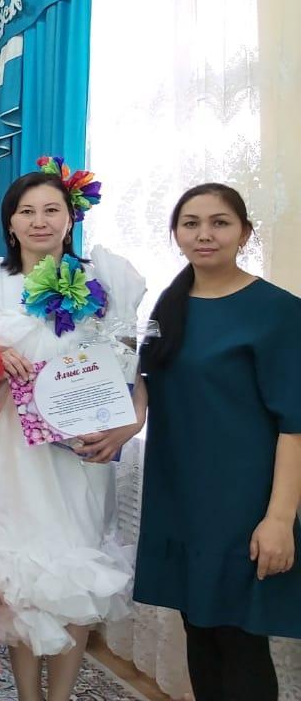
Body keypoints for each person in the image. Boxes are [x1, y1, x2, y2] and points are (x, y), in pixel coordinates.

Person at [0, 159, 144, 701]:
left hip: (80, 455)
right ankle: (28, 695)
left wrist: (130, 424)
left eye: (52, 210)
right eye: (26, 211)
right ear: (9, 222)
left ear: (70, 219)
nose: (39, 221)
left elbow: (130, 365)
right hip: (7, 448)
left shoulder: (104, 281)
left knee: (76, 570)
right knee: (18, 576)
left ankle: (61, 695)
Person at [133, 183, 301, 701]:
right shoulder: (169, 307)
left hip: (243, 505)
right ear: (176, 234)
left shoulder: (278, 311)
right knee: (199, 631)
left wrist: (279, 520)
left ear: (244, 233)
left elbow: (294, 425)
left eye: (220, 222)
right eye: (191, 223)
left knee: (240, 640)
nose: (204, 234)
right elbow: (146, 393)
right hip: (179, 497)